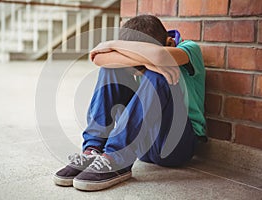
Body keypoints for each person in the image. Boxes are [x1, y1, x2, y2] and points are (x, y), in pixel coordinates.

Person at [53, 14, 207, 191]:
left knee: (159, 73)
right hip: (142, 146)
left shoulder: (188, 48)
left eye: (139, 69)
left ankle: (118, 160)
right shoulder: (146, 51)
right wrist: (144, 61)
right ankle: (93, 150)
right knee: (111, 69)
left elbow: (158, 55)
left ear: (169, 43)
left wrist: (111, 46)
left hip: (176, 146)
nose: (137, 74)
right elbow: (98, 58)